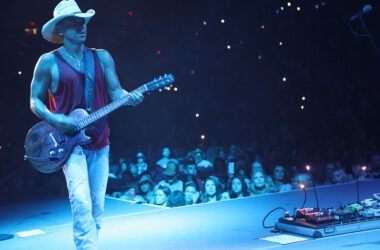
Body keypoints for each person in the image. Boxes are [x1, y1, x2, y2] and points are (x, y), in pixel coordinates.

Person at [29, 1, 144, 249]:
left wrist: (129, 96)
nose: (82, 27)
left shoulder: (101, 57)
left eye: (83, 22)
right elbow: (34, 100)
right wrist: (55, 118)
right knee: (81, 201)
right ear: (61, 29)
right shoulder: (48, 62)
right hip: (70, 144)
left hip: (100, 139)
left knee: (96, 206)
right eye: (75, 22)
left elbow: (116, 92)